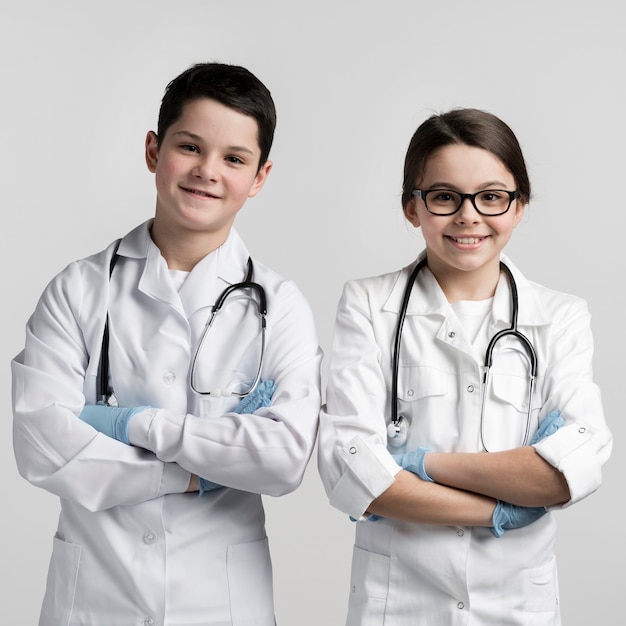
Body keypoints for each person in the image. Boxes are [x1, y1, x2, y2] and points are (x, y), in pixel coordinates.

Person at [12, 62, 322, 626]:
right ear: (154, 150)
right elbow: (43, 444)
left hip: (221, 604)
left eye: (234, 159)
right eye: (189, 147)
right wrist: (198, 470)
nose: (207, 171)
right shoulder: (78, 290)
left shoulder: (279, 306)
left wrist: (129, 425)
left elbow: (283, 460)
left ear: (259, 177)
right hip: (95, 600)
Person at [317, 108, 612, 625]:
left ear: (519, 207)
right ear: (414, 207)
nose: (469, 216)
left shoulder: (560, 317)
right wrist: (500, 509)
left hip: (516, 606)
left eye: (492, 196)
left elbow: (571, 470)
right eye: (445, 196)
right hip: (399, 604)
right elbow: (349, 468)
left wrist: (419, 465)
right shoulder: (367, 304)